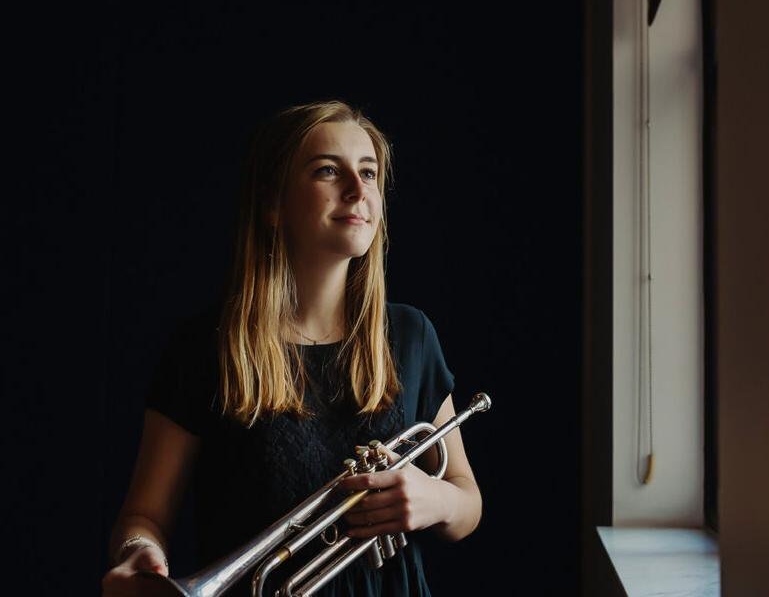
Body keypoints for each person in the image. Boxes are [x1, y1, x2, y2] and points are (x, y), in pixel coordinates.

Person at [101, 100, 483, 596]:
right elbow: (142, 516)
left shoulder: (411, 336)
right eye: (329, 170)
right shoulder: (203, 348)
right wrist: (140, 551)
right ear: (272, 206)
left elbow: (467, 500)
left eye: (368, 173)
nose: (357, 189)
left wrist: (436, 502)